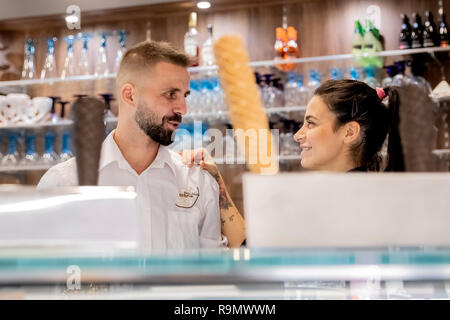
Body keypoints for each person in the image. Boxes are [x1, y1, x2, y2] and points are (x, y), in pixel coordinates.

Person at [37, 40, 227, 250]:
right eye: (170, 94)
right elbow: (39, 274)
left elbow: (212, 273)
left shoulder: (199, 181)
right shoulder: (63, 183)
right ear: (130, 95)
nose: (183, 108)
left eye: (185, 95)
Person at [183, 79, 404, 244]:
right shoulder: (370, 194)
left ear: (349, 132)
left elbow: (253, 258)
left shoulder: (325, 201)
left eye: (311, 123)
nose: (298, 135)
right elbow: (252, 249)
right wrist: (217, 183)